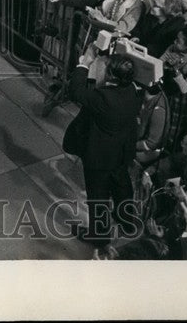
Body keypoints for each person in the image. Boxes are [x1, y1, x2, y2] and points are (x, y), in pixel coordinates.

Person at [68, 53, 142, 249]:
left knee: (98, 195)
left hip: (99, 155)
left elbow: (76, 91)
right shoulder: (133, 93)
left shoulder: (104, 98)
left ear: (111, 75)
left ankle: (100, 236)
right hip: (121, 152)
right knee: (121, 187)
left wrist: (84, 64)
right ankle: (127, 222)